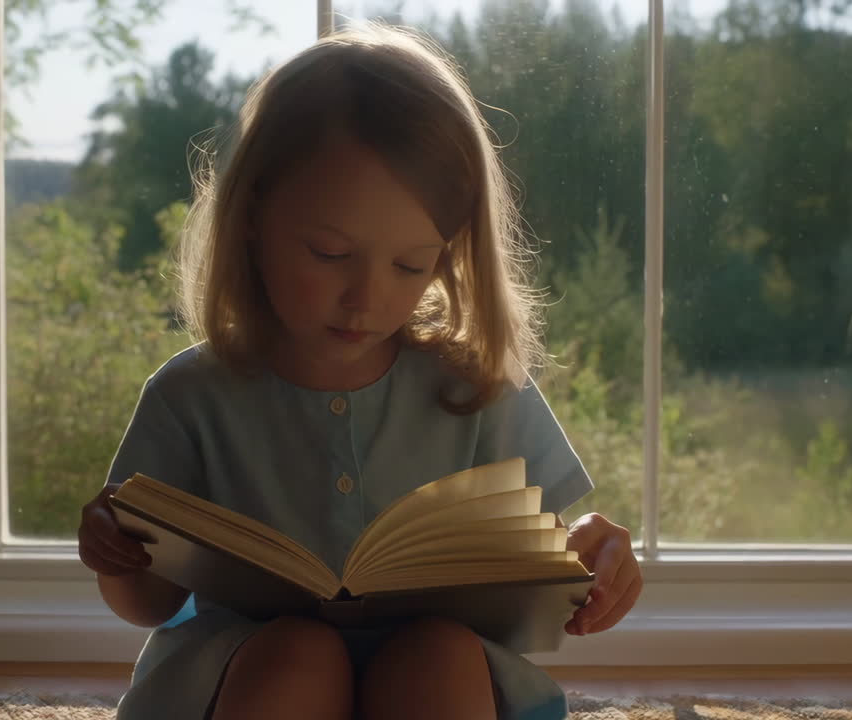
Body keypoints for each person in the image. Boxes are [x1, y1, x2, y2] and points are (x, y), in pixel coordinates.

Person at [77, 22, 642, 720]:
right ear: (252, 216)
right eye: (328, 252)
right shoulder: (189, 397)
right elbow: (148, 605)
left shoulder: (479, 388)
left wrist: (597, 560)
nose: (366, 298)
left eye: (412, 264)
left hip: (443, 680)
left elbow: (544, 575)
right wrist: (115, 556)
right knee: (297, 656)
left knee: (434, 657)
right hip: (254, 682)